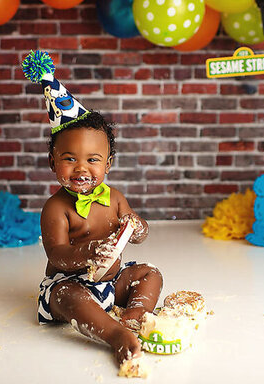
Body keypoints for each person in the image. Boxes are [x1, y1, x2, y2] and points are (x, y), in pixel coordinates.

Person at [22, 50, 163, 365]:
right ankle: (113, 334)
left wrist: (139, 226)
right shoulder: (56, 208)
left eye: (93, 159)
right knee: (66, 298)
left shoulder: (114, 197)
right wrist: (87, 254)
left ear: (109, 164)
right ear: (52, 162)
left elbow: (137, 235)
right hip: (69, 284)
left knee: (149, 274)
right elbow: (56, 255)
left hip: (112, 282)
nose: (81, 169)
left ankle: (135, 315)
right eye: (70, 158)